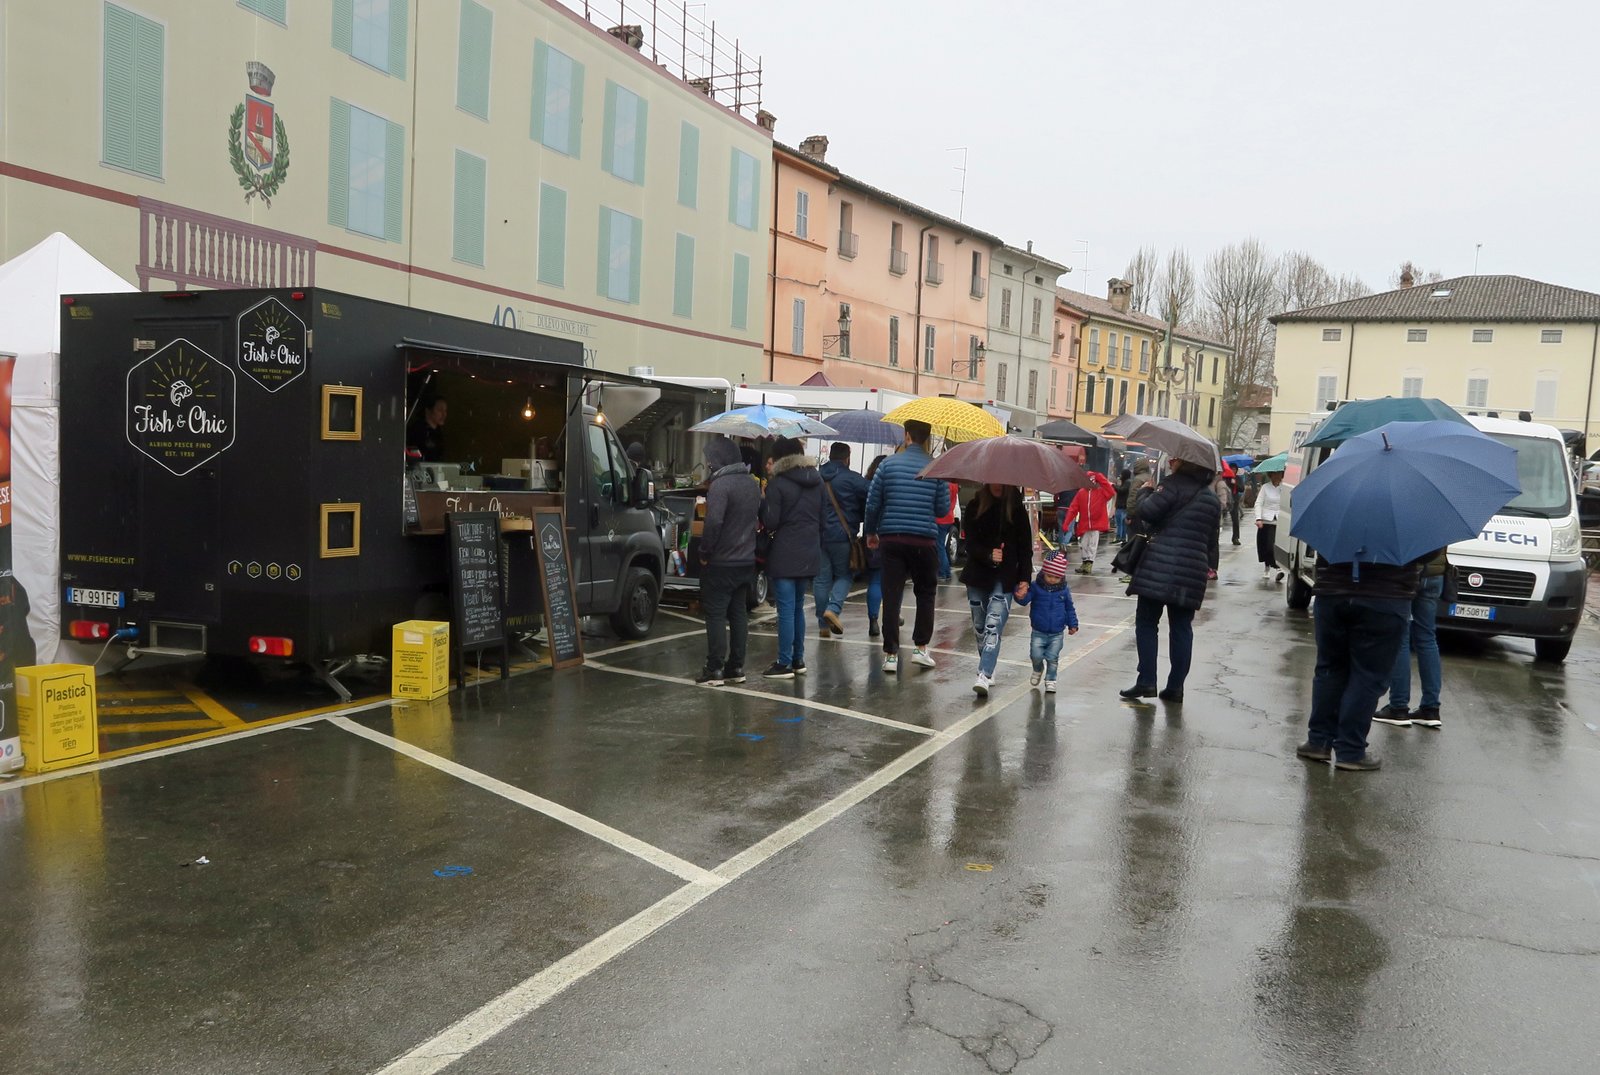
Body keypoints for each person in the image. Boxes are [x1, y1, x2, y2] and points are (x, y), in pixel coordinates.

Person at [1297, 552, 1432, 771]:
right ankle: (1350, 750)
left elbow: (1320, 546)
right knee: (1369, 675)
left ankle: (1318, 741)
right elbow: (1428, 552)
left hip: (1333, 592)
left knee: (1330, 668)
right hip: (1386, 595)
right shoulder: (1408, 528)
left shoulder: (1337, 526)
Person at [1119, 458, 1222, 703]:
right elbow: (1211, 540)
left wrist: (1145, 492)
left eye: (1176, 459)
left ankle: (1147, 681)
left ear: (1184, 462)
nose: (1172, 461)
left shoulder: (1171, 485)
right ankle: (1175, 687)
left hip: (1159, 565)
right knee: (1182, 627)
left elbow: (1147, 512)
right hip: (1192, 571)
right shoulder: (1211, 499)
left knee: (1147, 622)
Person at [864, 419, 949, 674]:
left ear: (907, 436)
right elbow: (942, 509)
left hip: (892, 538)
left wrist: (871, 532)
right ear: (928, 438)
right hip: (924, 540)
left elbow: (872, 503)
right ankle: (921, 649)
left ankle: (891, 654)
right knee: (926, 593)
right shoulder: (936, 469)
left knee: (891, 595)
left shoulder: (887, 465)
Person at [696, 436, 760, 686]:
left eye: (710, 459)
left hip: (722, 561)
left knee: (715, 614)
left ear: (719, 460)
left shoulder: (720, 485)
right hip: (746, 560)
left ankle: (714, 669)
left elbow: (713, 523)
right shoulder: (751, 483)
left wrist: (704, 552)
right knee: (738, 614)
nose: (708, 464)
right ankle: (736, 667)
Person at [961, 483, 1034, 696]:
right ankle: (988, 666)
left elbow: (1025, 548)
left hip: (1005, 577)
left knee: (993, 625)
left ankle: (984, 673)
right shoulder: (974, 506)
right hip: (977, 576)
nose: (998, 485)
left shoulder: (1017, 509)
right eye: (993, 480)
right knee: (979, 627)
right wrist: (988, 554)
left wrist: (1024, 579)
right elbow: (969, 544)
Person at [760, 437, 823, 679]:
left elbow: (771, 522)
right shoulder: (817, 480)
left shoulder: (778, 484)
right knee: (797, 607)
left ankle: (784, 662)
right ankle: (798, 659)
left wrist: (764, 501)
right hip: (809, 550)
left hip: (785, 553)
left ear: (780, 458)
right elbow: (823, 517)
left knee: (786, 610)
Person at [1372, 548, 1448, 730]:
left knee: (1401, 637)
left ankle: (1398, 707)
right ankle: (1430, 708)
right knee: (1427, 638)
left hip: (1407, 572)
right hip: (1435, 574)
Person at [815, 442, 869, 639]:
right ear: (847, 457)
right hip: (842, 536)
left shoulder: (817, 476)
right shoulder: (852, 478)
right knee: (845, 575)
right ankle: (833, 609)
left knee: (821, 580)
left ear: (830, 456)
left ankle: (823, 626)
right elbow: (872, 492)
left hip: (819, 535)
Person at [1016, 549, 1079, 693]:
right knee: (1035, 655)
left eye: (1056, 577)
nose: (1052, 579)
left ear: (1061, 577)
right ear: (1044, 572)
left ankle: (1051, 680)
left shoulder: (1064, 590)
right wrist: (1019, 594)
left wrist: (1073, 624)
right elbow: (1025, 600)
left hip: (1057, 632)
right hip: (1038, 631)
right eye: (1049, 576)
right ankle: (1038, 669)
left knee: (1052, 658)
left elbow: (1069, 608)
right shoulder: (1036, 587)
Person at [1062, 471, 1115, 575]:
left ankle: (1088, 563)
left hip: (1096, 524)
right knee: (1084, 544)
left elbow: (1111, 491)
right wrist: (1066, 523)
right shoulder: (1081, 493)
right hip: (1085, 524)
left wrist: (1100, 477)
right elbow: (1073, 508)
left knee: (1092, 545)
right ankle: (1085, 562)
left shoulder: (1101, 492)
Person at [863, 454, 889, 638]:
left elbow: (869, 509)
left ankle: (873, 620)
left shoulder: (868, 485)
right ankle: (893, 615)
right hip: (893, 533)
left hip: (874, 536)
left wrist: (870, 531)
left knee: (875, 579)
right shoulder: (895, 485)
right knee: (895, 579)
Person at [1255, 470, 1286, 582]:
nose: (1277, 476)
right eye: (1275, 474)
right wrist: (1258, 518)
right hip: (1266, 521)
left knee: (1274, 547)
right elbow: (1258, 503)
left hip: (1280, 520)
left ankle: (1276, 567)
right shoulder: (1265, 487)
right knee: (1266, 547)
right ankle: (1272, 567)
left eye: (1279, 473)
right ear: (1270, 475)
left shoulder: (1284, 487)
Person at [407, 397, 447, 461]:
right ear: (428, 411)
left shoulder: (439, 433)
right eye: (440, 410)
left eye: (445, 410)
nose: (444, 414)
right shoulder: (417, 431)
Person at [935, 480, 959, 581]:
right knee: (942, 546)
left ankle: (942, 573)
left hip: (941, 519)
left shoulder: (945, 484)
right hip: (949, 518)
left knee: (939, 546)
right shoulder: (954, 484)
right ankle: (947, 572)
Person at [1113, 469, 1132, 544]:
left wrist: (1114, 486)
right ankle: (1122, 538)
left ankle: (1120, 537)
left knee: (1120, 523)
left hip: (1122, 506)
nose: (1120, 476)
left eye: (1121, 474)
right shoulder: (1127, 482)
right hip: (1123, 506)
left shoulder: (1127, 482)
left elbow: (1121, 490)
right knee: (1122, 523)